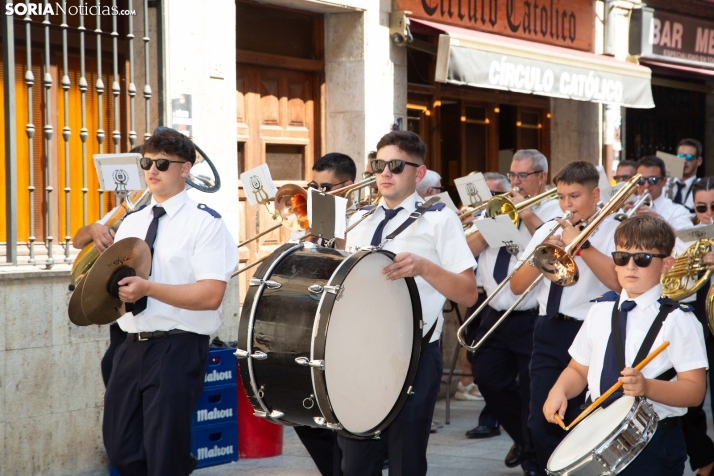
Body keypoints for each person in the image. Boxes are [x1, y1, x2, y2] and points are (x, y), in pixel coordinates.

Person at [339, 130, 478, 476]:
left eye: (396, 165)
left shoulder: (439, 219)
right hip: (358, 351)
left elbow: (468, 292)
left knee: (406, 460)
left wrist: (424, 267)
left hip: (412, 353)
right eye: (378, 164)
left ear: (418, 173)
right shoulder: (357, 219)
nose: (385, 173)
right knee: (355, 463)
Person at [103, 129, 238, 476]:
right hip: (130, 347)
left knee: (163, 452)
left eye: (163, 163)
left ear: (186, 169)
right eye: (147, 162)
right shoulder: (132, 220)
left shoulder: (206, 223)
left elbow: (211, 295)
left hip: (177, 347)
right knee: (121, 447)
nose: (152, 170)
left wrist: (149, 288)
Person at [543, 215, 708, 475]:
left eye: (642, 259)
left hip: (654, 442)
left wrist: (647, 386)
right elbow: (578, 369)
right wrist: (560, 391)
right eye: (621, 257)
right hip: (597, 432)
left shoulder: (679, 320)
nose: (630, 266)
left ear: (666, 264)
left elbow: (694, 391)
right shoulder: (600, 310)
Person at [510, 161, 621, 471]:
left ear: (595, 194)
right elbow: (517, 285)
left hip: (593, 330)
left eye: (574, 196)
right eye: (560, 197)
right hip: (548, 329)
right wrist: (543, 250)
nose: (566, 205)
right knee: (541, 422)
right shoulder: (549, 227)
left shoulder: (615, 230)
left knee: (585, 419)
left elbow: (616, 281)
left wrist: (582, 244)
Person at [467, 151, 561, 476]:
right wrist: (486, 223)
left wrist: (529, 213)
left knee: (532, 391)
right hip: (494, 310)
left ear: (541, 177)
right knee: (486, 379)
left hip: (531, 315)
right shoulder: (501, 209)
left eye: (523, 176)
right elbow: (469, 251)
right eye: (513, 175)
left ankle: (533, 462)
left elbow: (550, 252)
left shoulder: (553, 210)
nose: (516, 182)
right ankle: (523, 440)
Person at [72, 145, 143, 387]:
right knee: (112, 370)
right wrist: (94, 229)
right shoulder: (123, 210)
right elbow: (77, 240)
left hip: (147, 318)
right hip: (122, 317)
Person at [675, 177, 714, 476]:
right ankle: (705, 460)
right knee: (689, 404)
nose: (708, 213)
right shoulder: (688, 236)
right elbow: (674, 286)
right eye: (701, 207)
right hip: (697, 323)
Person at [627, 156, 692, 231]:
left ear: (664, 181)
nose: (646, 185)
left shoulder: (678, 211)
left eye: (653, 180)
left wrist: (659, 220)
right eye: (641, 180)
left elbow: (684, 240)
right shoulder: (629, 206)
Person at [673, 138, 704, 212]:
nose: (684, 160)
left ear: (699, 161)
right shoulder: (664, 183)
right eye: (680, 156)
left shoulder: (703, 187)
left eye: (689, 157)